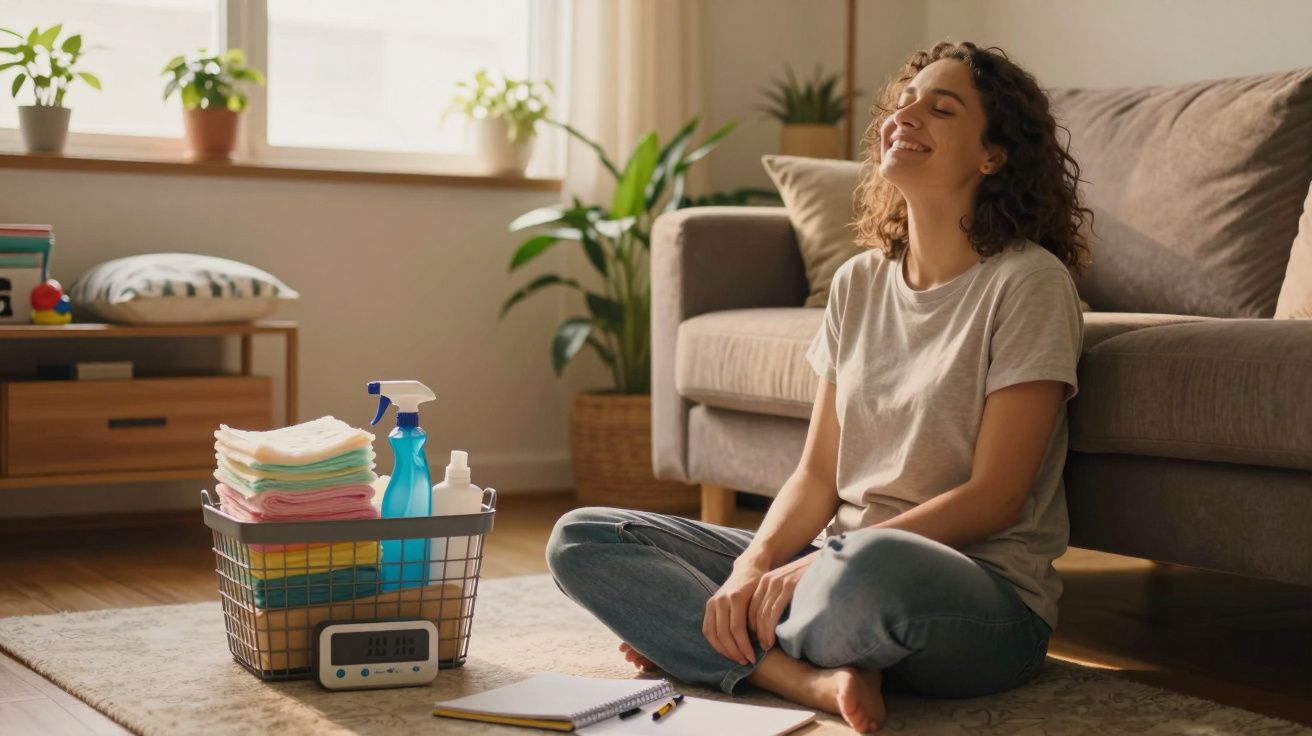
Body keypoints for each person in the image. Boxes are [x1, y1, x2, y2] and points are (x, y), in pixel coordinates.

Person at [545, 40, 1093, 734]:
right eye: (904, 102)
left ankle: (701, 640)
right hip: (834, 571)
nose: (906, 115)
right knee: (582, 537)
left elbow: (996, 496)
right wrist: (753, 567)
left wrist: (818, 568)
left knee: (866, 571)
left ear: (994, 155)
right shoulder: (858, 283)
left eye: (941, 107)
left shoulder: (1029, 283)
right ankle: (803, 678)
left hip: (969, 595)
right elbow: (815, 476)